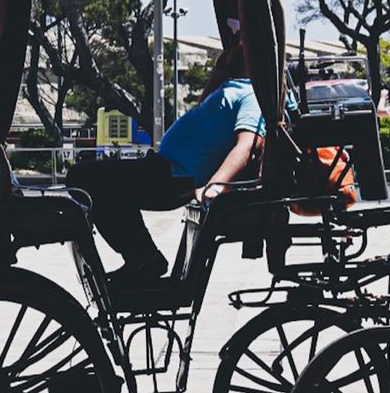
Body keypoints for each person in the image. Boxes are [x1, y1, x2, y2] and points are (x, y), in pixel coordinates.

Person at [67, 41, 264, 289]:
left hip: (174, 176)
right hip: (165, 168)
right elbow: (204, 110)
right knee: (95, 182)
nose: (236, 48)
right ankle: (142, 258)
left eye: (243, 46)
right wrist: (218, 73)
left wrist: (215, 186)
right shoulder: (232, 87)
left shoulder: (253, 95)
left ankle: (144, 259)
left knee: (85, 177)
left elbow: (247, 146)